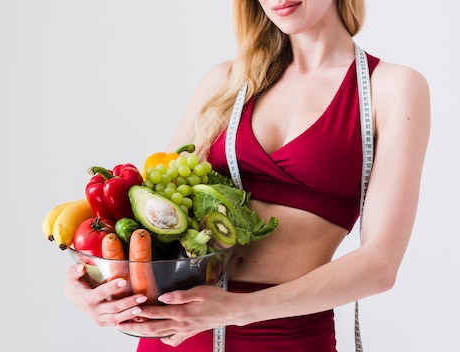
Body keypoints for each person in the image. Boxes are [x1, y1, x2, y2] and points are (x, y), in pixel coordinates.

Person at [64, 0, 430, 351]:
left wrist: (233, 310)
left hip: (289, 338)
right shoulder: (227, 81)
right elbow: (148, 212)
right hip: (179, 334)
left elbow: (380, 265)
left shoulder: (390, 89)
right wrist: (89, 284)